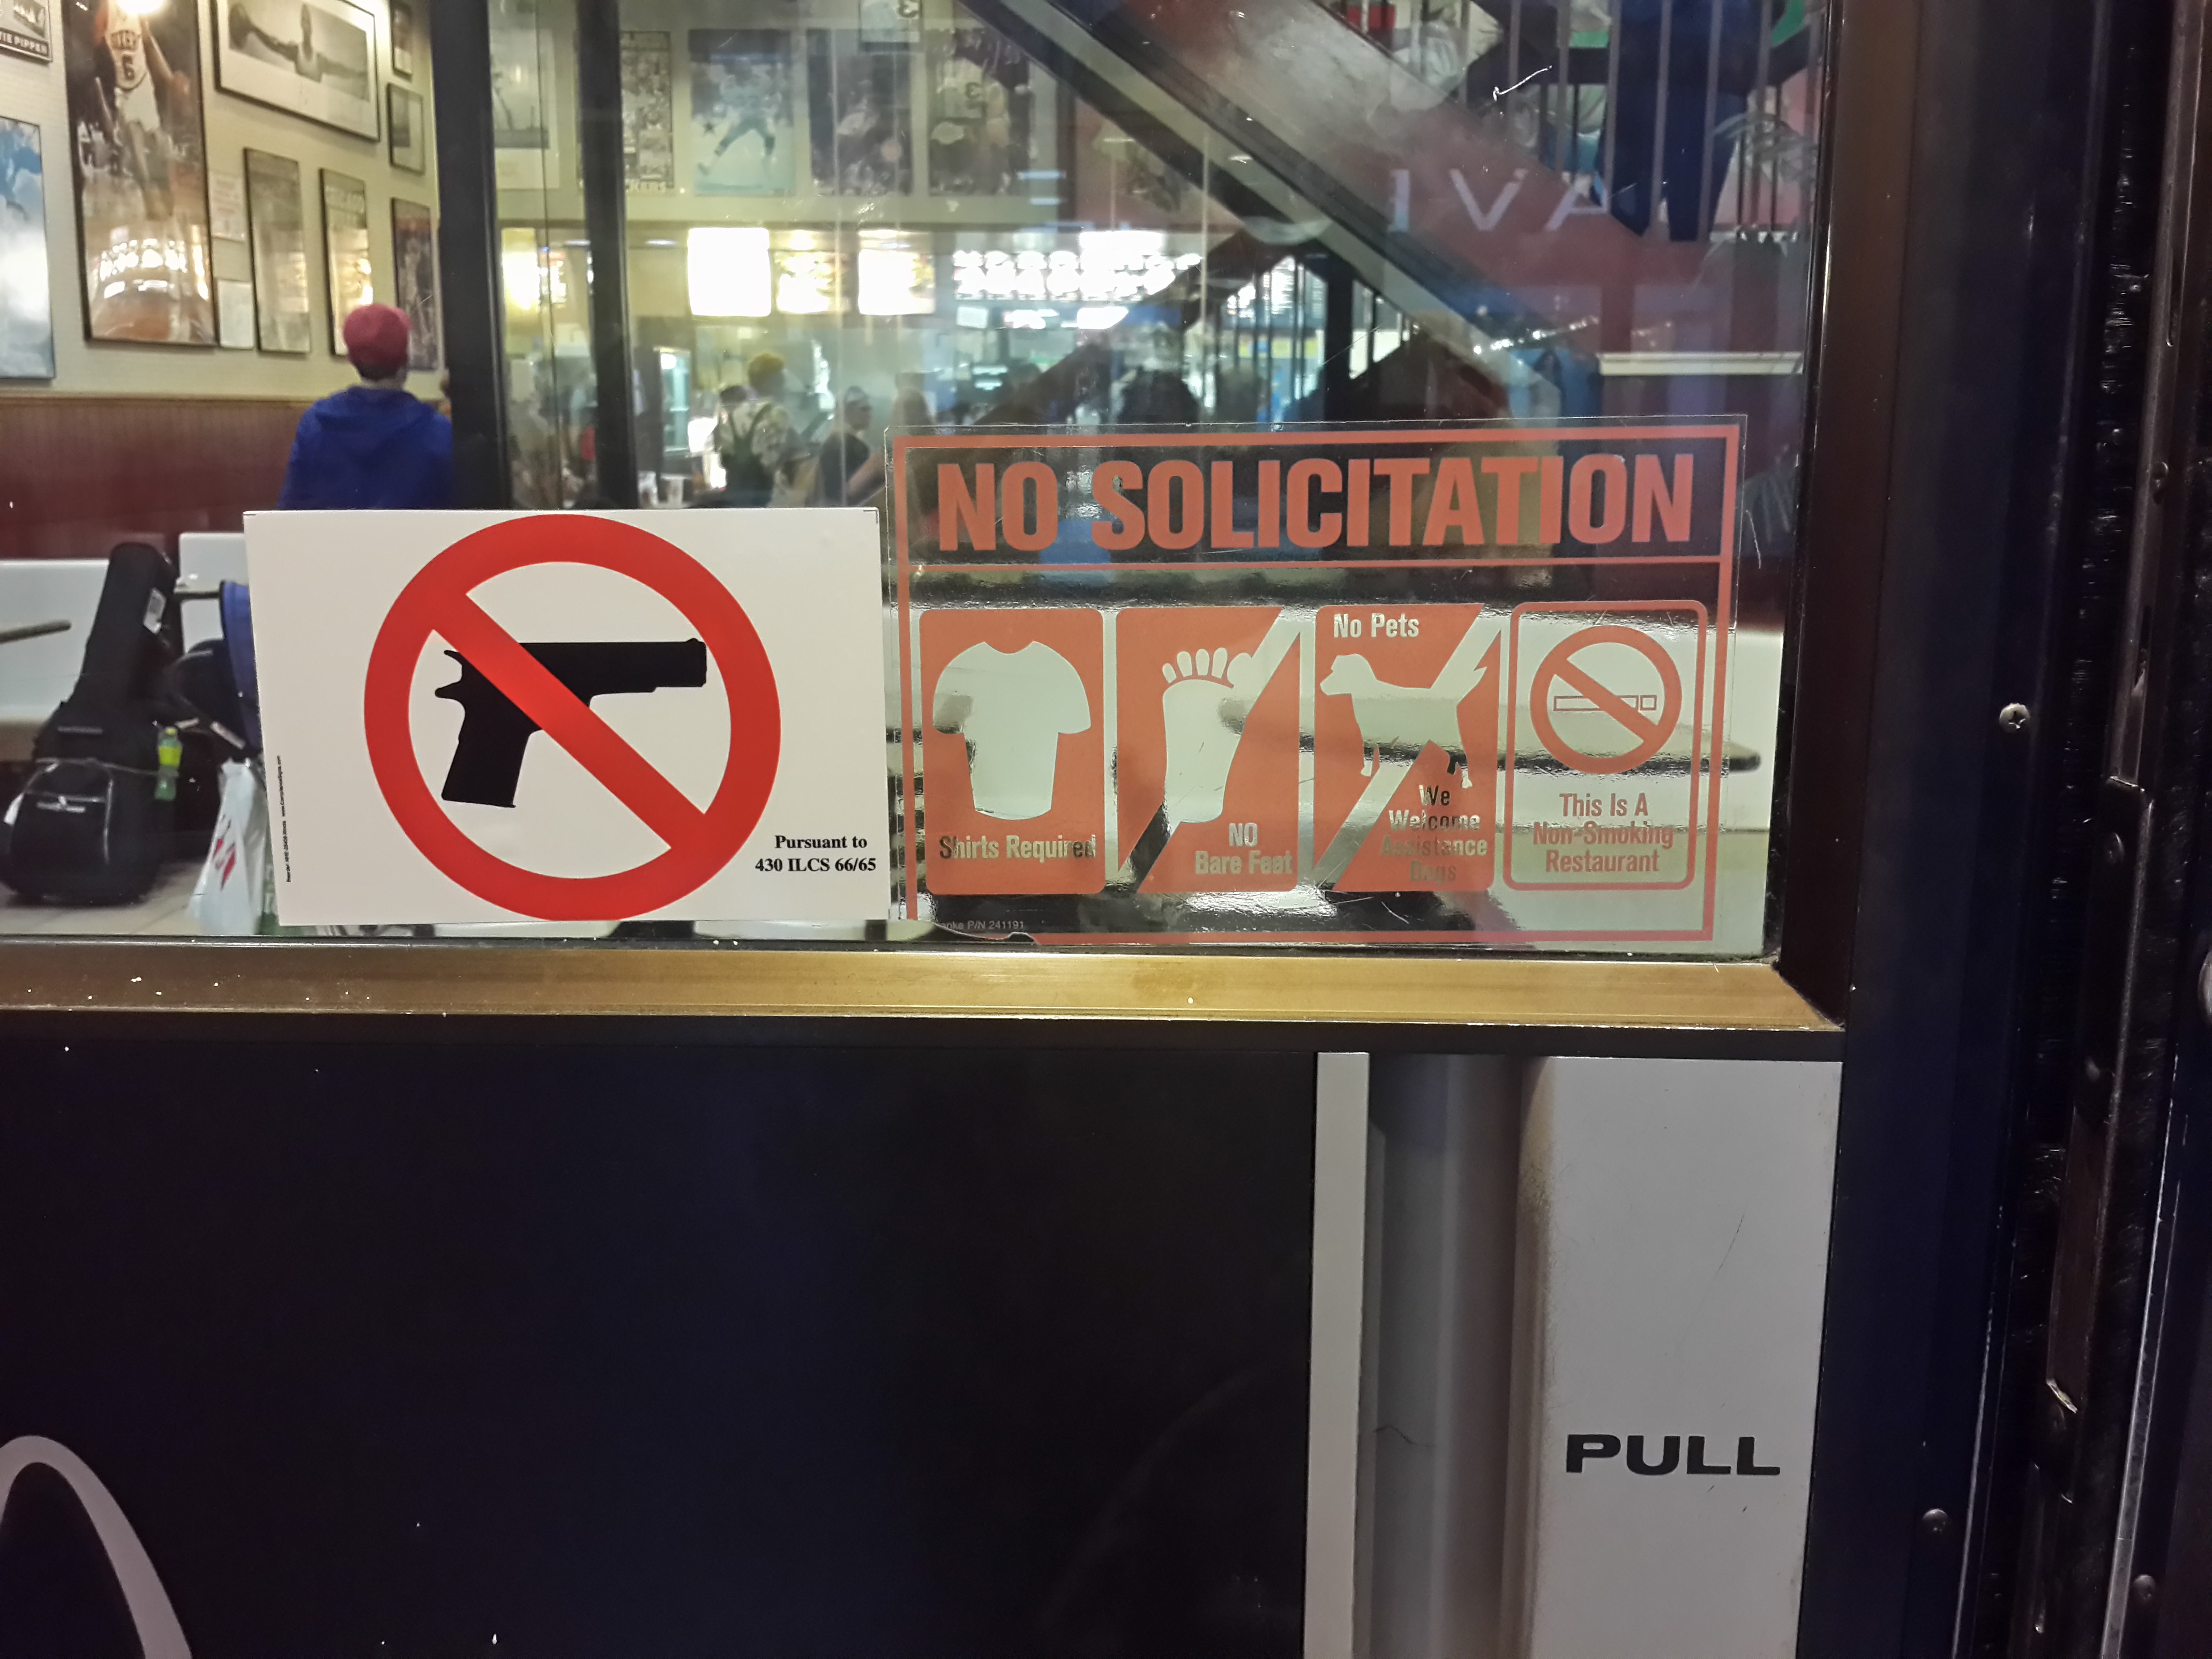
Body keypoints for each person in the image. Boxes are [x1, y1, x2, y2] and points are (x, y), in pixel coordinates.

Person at [278, 303, 452, 509]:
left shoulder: (315, 423)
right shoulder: (437, 431)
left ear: (351, 359)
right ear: (407, 358)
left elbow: (291, 508)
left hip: (334, 531)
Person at [712, 352, 799, 507]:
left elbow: (723, 458)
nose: (784, 385)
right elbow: (777, 463)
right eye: (781, 379)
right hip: (765, 500)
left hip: (734, 499)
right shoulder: (777, 414)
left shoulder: (733, 414)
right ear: (770, 381)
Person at [812, 386, 879, 505]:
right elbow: (839, 492)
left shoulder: (840, 443)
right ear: (848, 411)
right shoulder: (842, 445)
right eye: (864, 409)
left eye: (870, 409)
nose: (870, 414)